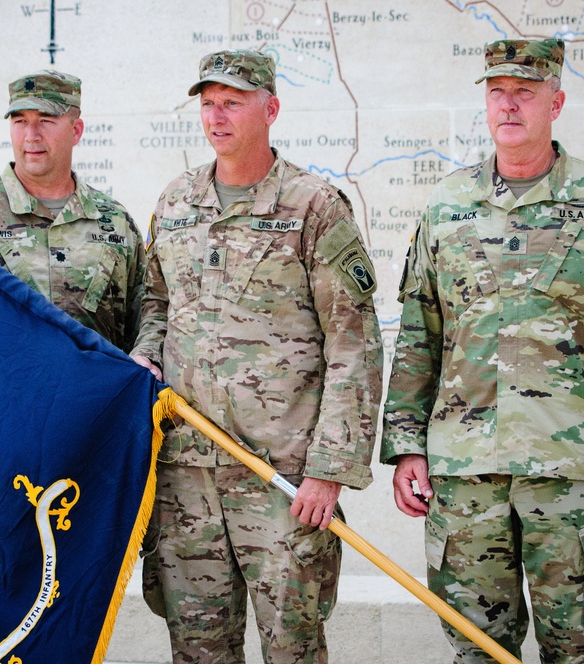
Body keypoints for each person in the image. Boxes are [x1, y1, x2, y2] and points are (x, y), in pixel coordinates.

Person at [381, 38, 584, 663]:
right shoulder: (446, 206)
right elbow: (418, 334)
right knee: (477, 650)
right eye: (497, 93)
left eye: (525, 92)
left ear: (556, 102)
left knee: (581, 651)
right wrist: (406, 445)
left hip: (574, 479)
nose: (508, 106)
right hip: (464, 476)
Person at [130, 49, 383, 663]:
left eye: (233, 103)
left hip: (282, 478)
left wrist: (329, 469)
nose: (217, 117)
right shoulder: (176, 201)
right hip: (185, 475)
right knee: (197, 650)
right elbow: (155, 303)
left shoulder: (313, 207)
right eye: (208, 104)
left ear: (270, 109)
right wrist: (144, 357)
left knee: (291, 648)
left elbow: (355, 343)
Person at [0, 70, 145, 351]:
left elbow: (143, 327)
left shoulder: (116, 222)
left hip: (93, 393)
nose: (31, 136)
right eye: (20, 121)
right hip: (1, 392)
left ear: (76, 131)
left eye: (46, 121)